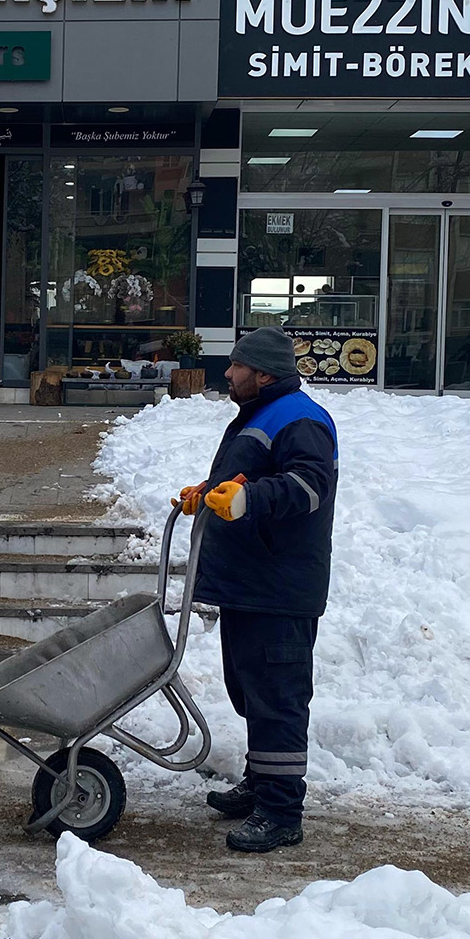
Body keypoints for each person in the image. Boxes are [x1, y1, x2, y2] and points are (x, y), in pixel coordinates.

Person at [179, 325, 337, 852]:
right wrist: (210, 493)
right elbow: (250, 478)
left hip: (280, 588)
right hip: (251, 584)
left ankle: (281, 811)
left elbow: (310, 486)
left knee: (278, 699)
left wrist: (248, 501)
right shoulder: (260, 413)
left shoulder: (300, 419)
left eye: (237, 365)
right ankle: (262, 782)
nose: (228, 372)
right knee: (252, 692)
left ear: (263, 374)